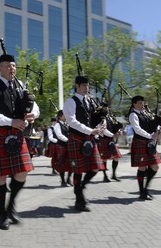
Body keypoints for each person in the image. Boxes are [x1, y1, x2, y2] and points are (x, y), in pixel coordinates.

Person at [0, 53, 40, 230]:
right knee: (0, 176)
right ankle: (2, 214)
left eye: (14, 65)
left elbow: (34, 105)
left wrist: (34, 114)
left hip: (17, 134)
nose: (12, 68)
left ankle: (11, 207)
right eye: (8, 65)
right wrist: (10, 121)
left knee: (22, 173)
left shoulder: (20, 86)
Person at [62, 75, 105, 212]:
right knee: (78, 171)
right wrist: (90, 131)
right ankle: (79, 198)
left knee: (95, 168)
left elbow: (96, 117)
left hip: (89, 139)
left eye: (88, 86)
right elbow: (72, 122)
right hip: (77, 138)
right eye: (84, 86)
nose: (87, 88)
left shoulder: (90, 101)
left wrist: (102, 123)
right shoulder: (70, 101)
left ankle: (80, 188)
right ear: (77, 86)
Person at [128, 95, 161, 200]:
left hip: (149, 142)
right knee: (142, 167)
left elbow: (152, 123)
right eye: (139, 103)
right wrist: (150, 136)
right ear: (134, 104)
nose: (142, 105)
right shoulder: (133, 115)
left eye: (142, 103)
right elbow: (137, 129)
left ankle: (146, 188)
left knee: (155, 167)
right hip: (140, 142)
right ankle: (142, 191)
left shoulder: (145, 113)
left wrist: (158, 127)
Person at [96, 103, 123, 182]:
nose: (107, 109)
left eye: (107, 108)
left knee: (116, 157)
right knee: (104, 159)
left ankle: (114, 175)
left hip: (111, 140)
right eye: (105, 108)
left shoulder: (110, 117)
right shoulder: (100, 118)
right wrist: (112, 135)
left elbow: (114, 126)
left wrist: (118, 130)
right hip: (104, 139)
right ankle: (105, 176)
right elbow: (102, 129)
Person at [53, 110, 72, 187]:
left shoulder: (67, 124)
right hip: (61, 145)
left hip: (68, 145)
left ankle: (68, 179)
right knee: (62, 164)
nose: (66, 116)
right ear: (60, 116)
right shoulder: (57, 125)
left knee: (71, 163)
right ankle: (63, 181)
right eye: (64, 115)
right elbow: (59, 135)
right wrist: (68, 140)